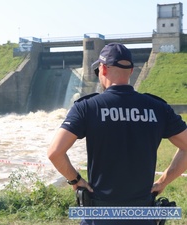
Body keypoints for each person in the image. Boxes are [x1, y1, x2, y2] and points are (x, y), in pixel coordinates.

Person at [47, 42, 187, 225]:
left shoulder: (87, 107)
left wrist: (76, 180)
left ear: (103, 69)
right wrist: (162, 182)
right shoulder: (158, 108)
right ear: (130, 71)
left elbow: (55, 152)